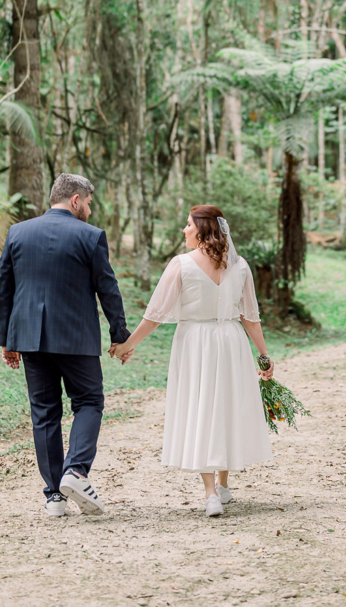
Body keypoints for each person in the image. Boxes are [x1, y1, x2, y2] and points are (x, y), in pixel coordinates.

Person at [113, 205, 274, 516]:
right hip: (230, 341)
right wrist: (264, 355)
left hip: (196, 343)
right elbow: (250, 318)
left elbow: (154, 315)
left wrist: (127, 345)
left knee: (204, 409)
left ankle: (212, 493)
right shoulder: (240, 266)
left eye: (188, 225)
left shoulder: (181, 265)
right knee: (226, 406)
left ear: (202, 229)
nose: (184, 230)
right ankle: (222, 486)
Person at [0, 173, 130, 517]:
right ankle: (76, 471)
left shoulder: (18, 232)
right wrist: (120, 335)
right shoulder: (90, 236)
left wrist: (7, 340)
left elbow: (5, 288)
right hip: (76, 338)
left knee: (44, 412)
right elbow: (108, 288)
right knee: (88, 402)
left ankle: (54, 496)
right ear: (74, 200)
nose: (88, 208)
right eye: (87, 201)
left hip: (29, 339)